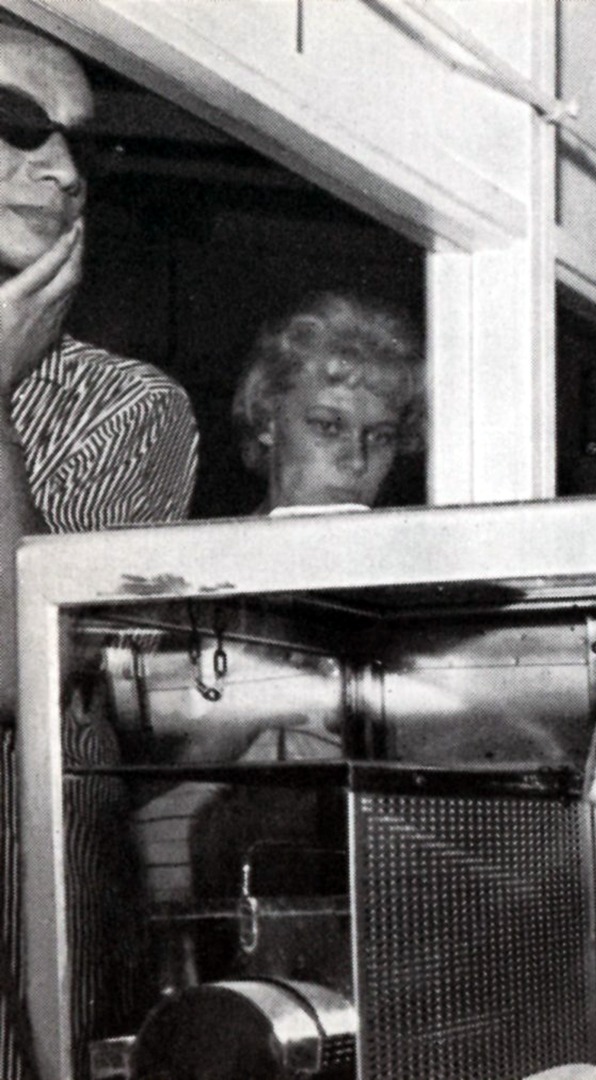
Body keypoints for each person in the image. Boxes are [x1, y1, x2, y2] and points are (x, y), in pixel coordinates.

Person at [0, 17, 198, 1078]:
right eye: (16, 126)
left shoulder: (128, 409)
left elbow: (11, 670)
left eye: (84, 143)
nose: (64, 170)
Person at [230, 291, 424, 513]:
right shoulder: (205, 546)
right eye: (328, 427)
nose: (357, 462)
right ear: (267, 420)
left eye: (380, 437)